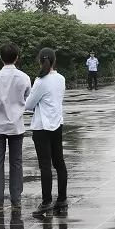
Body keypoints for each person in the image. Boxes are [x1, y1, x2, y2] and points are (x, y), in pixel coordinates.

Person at [0, 43, 31, 212]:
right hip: (16, 126)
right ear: (17, 57)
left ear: (0, 57)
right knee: (16, 163)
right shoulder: (24, 77)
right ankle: (16, 201)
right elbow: (27, 99)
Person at [25, 48, 67, 218]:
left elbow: (29, 104)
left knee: (45, 165)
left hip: (42, 127)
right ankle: (62, 199)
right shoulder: (61, 78)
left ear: (40, 61)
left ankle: (46, 202)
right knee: (59, 162)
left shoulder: (40, 81)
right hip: (57, 124)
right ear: (54, 60)